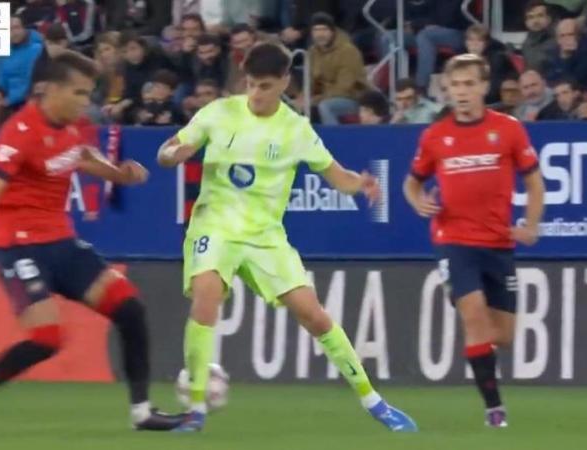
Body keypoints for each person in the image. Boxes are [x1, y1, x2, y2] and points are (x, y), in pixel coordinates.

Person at [156, 42, 418, 433]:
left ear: (284, 82)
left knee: (312, 313)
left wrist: (359, 184)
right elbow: (174, 148)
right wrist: (170, 154)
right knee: (206, 294)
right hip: (216, 225)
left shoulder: (296, 130)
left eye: (264, 86)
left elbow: (336, 175)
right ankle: (195, 412)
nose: (255, 95)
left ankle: (373, 401)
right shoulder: (219, 113)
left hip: (265, 236)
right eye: (250, 85)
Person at [0, 52, 184, 431]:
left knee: (130, 309)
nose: (86, 102)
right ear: (51, 90)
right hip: (19, 247)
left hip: (62, 245)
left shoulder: (76, 127)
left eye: (89, 94)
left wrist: (118, 175)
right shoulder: (20, 131)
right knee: (47, 337)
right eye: (79, 93)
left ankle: (142, 412)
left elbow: (81, 155)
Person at [403, 53, 545, 428]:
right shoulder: (434, 136)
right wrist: (419, 202)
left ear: (484, 87)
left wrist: (530, 223)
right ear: (446, 91)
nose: (461, 92)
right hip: (454, 241)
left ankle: (479, 354)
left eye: (469, 84)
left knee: (505, 335)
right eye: (455, 86)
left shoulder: (509, 129)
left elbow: (534, 181)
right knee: (474, 314)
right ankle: (494, 410)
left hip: (498, 243)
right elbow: (411, 181)